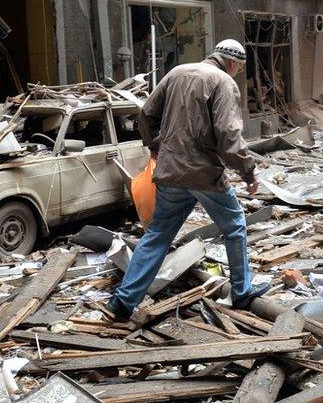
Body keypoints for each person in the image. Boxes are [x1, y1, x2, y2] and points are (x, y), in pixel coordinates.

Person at [107, 39, 269, 321]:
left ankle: (122, 302)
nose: (237, 73)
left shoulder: (176, 72)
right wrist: (248, 172)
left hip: (170, 171)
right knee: (235, 226)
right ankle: (242, 292)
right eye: (239, 69)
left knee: (157, 236)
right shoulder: (223, 81)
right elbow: (229, 133)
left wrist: (156, 146)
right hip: (204, 173)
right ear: (232, 63)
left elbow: (146, 113)